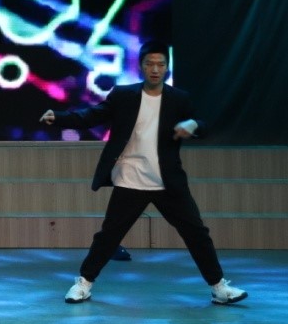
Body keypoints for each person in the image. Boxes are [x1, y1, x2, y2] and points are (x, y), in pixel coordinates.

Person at [40, 40, 248, 306]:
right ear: (141, 66)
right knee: (109, 236)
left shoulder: (178, 99)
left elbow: (202, 125)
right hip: (131, 179)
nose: (155, 69)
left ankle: (219, 288)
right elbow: (92, 115)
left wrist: (193, 125)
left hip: (167, 181)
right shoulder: (124, 95)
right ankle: (83, 283)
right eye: (150, 64)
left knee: (197, 233)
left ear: (167, 68)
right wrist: (59, 117)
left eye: (161, 64)